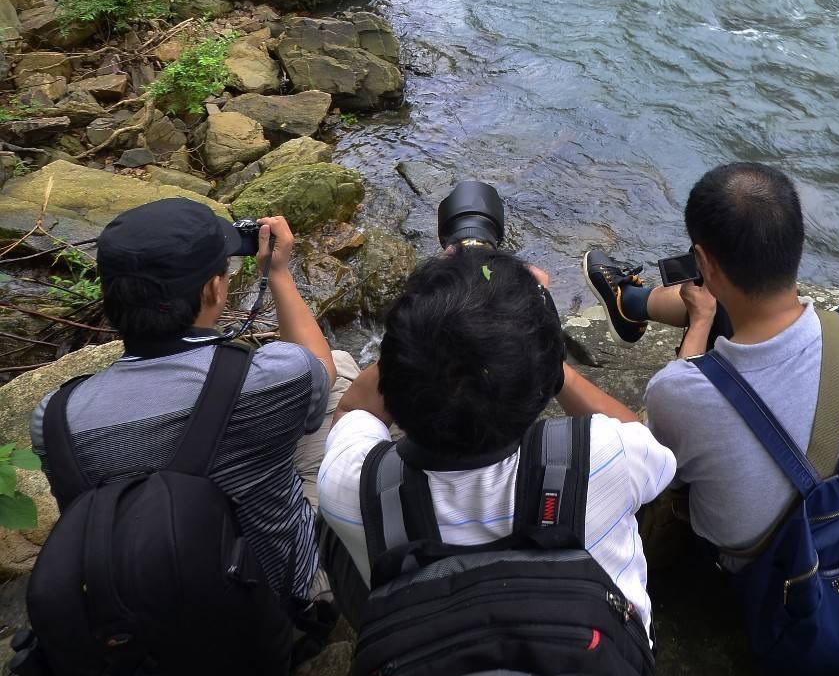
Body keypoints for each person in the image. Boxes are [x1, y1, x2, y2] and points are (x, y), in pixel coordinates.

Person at [317, 247, 676, 631]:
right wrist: (543, 350)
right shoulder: (604, 456)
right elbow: (646, 444)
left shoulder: (349, 482)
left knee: (334, 535)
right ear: (541, 386)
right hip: (593, 668)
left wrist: (422, 326)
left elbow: (356, 412)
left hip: (431, 660)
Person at [29, 201, 353, 615]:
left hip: (147, 614)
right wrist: (277, 272)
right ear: (213, 291)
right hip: (277, 596)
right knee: (337, 369)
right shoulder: (271, 376)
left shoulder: (54, 417)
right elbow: (315, 364)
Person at [633, 163, 839, 563]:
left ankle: (628, 300)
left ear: (704, 264)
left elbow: (659, 470)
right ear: (798, 238)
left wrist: (701, 322)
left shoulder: (678, 390)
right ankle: (630, 302)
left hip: (766, 582)